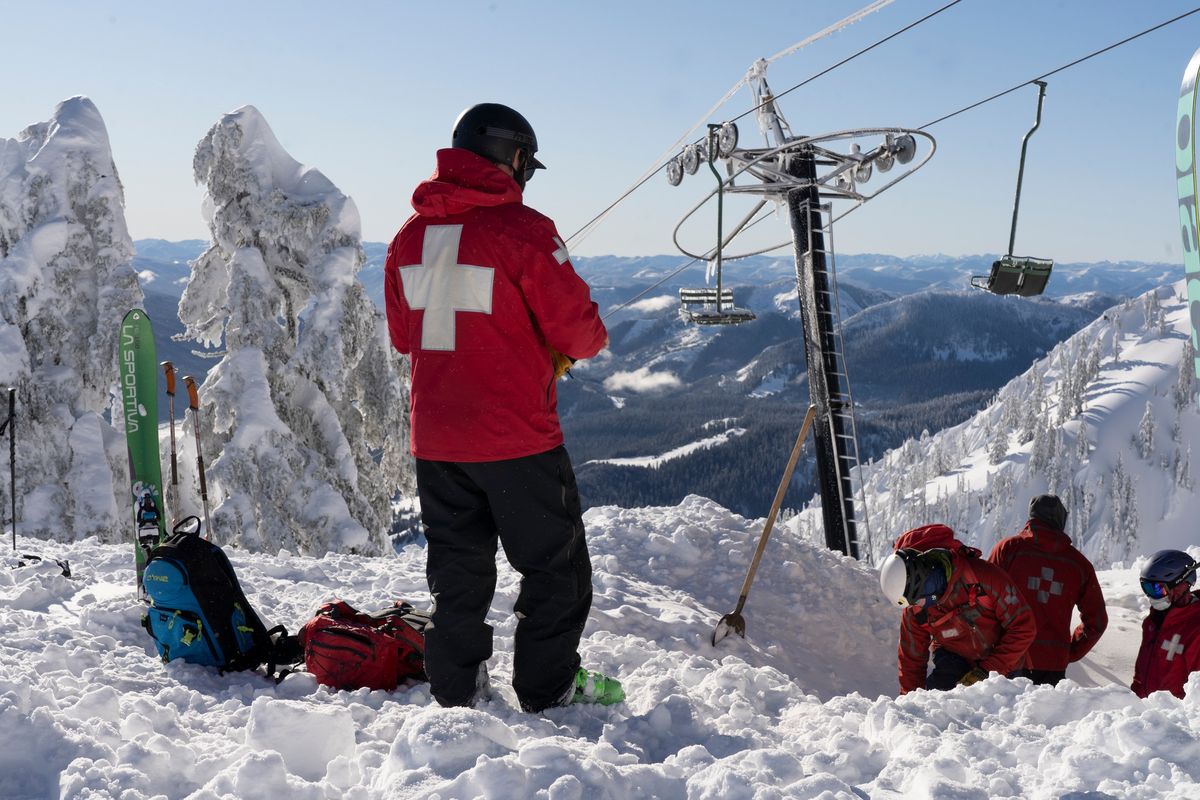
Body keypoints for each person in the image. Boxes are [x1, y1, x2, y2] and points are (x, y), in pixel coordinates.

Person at [384, 102, 619, 712]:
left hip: (436, 439)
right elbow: (582, 334)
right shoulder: (526, 231)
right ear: (511, 157)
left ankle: (457, 693)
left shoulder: (410, 238)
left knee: (457, 573)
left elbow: (405, 336)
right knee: (555, 571)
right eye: (525, 162)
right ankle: (548, 689)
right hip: (517, 438)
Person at [879, 524, 1036, 693]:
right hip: (952, 662)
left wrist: (987, 671)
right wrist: (908, 707)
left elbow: (1023, 627)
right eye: (914, 602)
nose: (919, 605)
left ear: (927, 574)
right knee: (939, 702)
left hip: (1005, 662)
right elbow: (911, 661)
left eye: (920, 598)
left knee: (1003, 709)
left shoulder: (983, 577)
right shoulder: (915, 609)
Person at [987, 494, 1108, 685]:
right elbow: (1097, 620)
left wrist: (992, 647)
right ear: (1061, 521)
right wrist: (1068, 651)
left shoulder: (1008, 549)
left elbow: (984, 599)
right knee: (1048, 712)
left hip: (1009, 657)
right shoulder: (1078, 565)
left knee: (1005, 713)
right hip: (1053, 666)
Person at [1131, 549, 1200, 699]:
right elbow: (1141, 675)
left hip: (1175, 719)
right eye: (1147, 588)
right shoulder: (1152, 622)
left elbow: (1197, 693)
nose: (1151, 596)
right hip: (1144, 715)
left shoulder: (1196, 629)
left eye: (1158, 589)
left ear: (1182, 585)